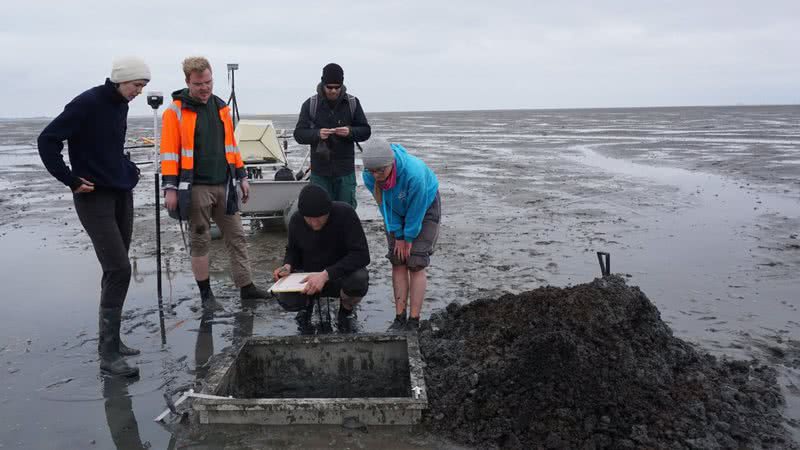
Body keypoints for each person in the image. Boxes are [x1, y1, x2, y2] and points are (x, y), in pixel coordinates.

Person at [37, 57, 151, 377]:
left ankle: (112, 340)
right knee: (119, 268)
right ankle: (108, 355)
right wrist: (69, 179)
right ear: (120, 80)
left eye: (142, 87)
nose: (138, 92)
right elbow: (47, 140)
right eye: (136, 86)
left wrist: (129, 169)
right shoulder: (86, 103)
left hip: (120, 193)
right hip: (92, 197)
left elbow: (110, 147)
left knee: (115, 269)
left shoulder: (120, 105)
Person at [161, 56, 268, 310]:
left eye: (208, 82)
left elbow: (231, 147)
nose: (205, 88)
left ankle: (246, 287)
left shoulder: (221, 107)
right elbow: (168, 153)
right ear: (188, 82)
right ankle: (206, 295)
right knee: (200, 240)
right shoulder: (174, 111)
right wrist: (170, 189)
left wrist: (242, 177)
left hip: (225, 185)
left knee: (237, 236)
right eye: (199, 84)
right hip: (195, 187)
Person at [361, 138, 441, 332]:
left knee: (415, 263)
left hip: (425, 207)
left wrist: (409, 237)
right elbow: (384, 205)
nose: (376, 175)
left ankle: (414, 320)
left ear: (391, 163)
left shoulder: (413, 173)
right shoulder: (369, 176)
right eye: (372, 171)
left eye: (381, 170)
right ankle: (399, 318)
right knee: (398, 260)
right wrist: (397, 234)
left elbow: (417, 208)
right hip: (394, 211)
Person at [273, 184, 370, 331]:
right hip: (308, 278)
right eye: (309, 219)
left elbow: (362, 255)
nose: (314, 223)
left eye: (319, 218)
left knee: (359, 279)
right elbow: (293, 250)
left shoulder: (345, 213)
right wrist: (287, 266)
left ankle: (346, 311)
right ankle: (305, 307)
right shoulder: (296, 220)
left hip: (339, 276)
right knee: (285, 296)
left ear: (328, 211)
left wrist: (326, 274)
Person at [293, 63, 371, 209]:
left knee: (346, 211)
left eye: (337, 87)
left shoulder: (352, 103)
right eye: (330, 87)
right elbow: (299, 134)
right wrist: (317, 134)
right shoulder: (310, 104)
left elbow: (366, 131)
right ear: (323, 84)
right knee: (319, 210)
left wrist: (350, 132)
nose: (333, 91)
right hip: (319, 172)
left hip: (345, 171)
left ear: (342, 84)